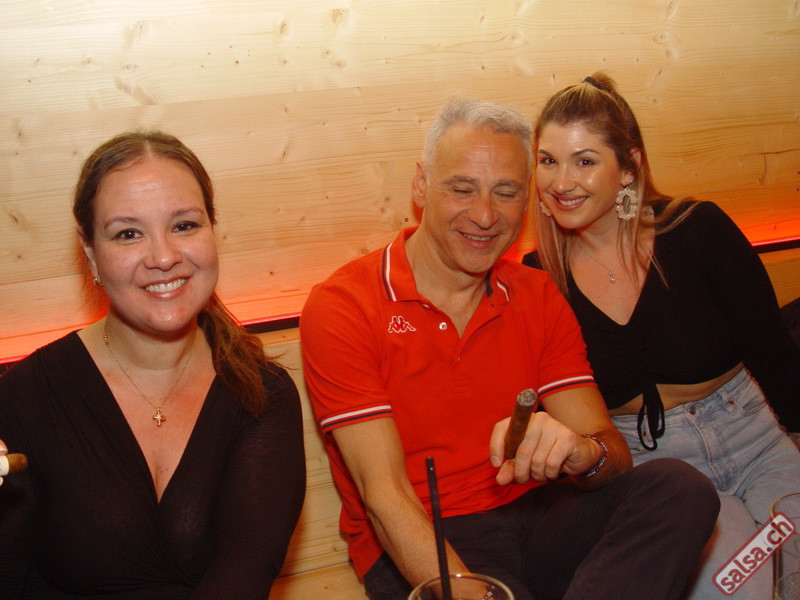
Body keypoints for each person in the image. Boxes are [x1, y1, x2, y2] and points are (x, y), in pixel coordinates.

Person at [301, 97, 720, 600]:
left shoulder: (536, 293)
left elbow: (610, 451)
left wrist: (580, 453)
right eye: (462, 189)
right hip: (421, 537)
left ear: (526, 201)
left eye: (506, 193)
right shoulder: (345, 305)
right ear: (421, 186)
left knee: (679, 488)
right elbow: (384, 497)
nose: (484, 215)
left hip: (539, 515)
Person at [524, 73, 800, 599]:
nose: (561, 182)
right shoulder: (538, 279)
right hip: (658, 473)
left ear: (629, 167)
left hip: (755, 441)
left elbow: (775, 356)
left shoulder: (696, 229)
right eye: (548, 160)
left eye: (585, 161)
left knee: (793, 572)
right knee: (739, 587)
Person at [0, 131, 306, 599]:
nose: (164, 257)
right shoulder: (22, 398)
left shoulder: (263, 393)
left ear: (212, 231)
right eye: (128, 233)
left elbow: (245, 571)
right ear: (90, 251)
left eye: (184, 225)